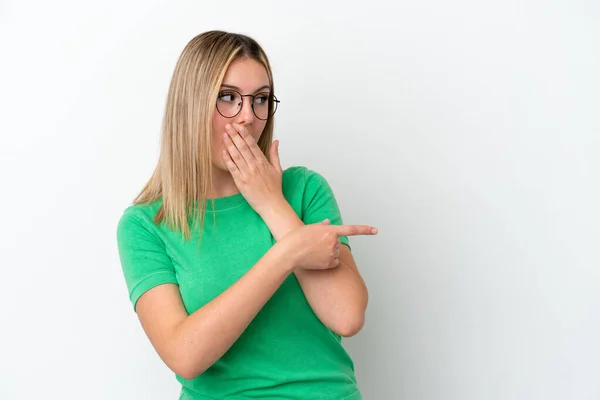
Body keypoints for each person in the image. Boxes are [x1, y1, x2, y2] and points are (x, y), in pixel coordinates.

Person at [116, 30, 378, 400]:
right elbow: (185, 355)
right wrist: (288, 253)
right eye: (228, 97)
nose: (247, 118)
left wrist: (272, 204)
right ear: (190, 106)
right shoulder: (146, 224)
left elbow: (348, 316)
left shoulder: (304, 191)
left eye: (260, 99)